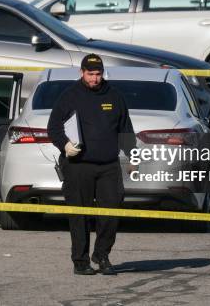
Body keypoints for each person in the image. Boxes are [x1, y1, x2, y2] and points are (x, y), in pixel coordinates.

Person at [47, 54, 135, 276]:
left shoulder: (114, 96)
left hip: (108, 165)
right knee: (80, 215)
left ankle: (102, 254)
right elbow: (53, 127)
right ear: (81, 72)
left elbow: (125, 129)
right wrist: (64, 145)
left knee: (111, 212)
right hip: (78, 165)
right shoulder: (70, 96)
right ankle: (80, 260)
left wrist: (133, 156)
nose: (95, 79)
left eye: (98, 74)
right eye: (90, 74)